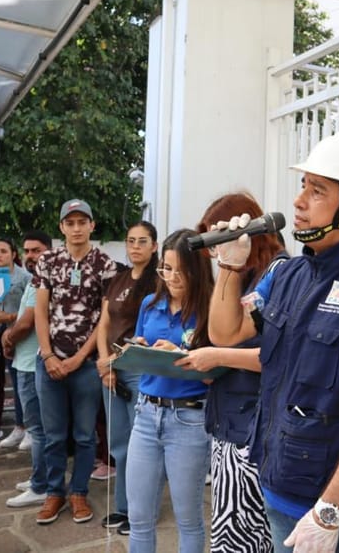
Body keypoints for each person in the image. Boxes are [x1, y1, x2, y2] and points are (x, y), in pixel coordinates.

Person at [209, 131, 339, 552]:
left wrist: (329, 511)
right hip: (277, 481)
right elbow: (225, 332)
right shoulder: (287, 274)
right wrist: (229, 265)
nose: (298, 201)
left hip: (332, 512)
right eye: (303, 186)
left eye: (317, 191)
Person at [191, 193, 286, 553]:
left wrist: (219, 355)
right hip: (228, 420)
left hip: (254, 430)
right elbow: (220, 334)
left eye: (219, 241)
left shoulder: (278, 273)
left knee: (249, 539)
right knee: (229, 535)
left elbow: (276, 356)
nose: (215, 253)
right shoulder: (244, 277)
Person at [126, 228, 214, 553]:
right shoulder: (150, 303)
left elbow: (217, 375)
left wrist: (178, 356)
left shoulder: (211, 310)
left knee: (188, 518)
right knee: (139, 516)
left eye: (180, 270)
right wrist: (137, 349)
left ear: (197, 269)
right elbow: (139, 344)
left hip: (189, 418)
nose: (172, 277)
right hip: (146, 414)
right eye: (165, 268)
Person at [32, 199, 119, 525]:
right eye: (71, 222)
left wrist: (83, 356)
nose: (77, 228)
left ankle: (78, 491)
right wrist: (49, 354)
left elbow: (105, 318)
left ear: (92, 226)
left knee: (85, 435)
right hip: (50, 362)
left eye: (83, 221)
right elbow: (41, 309)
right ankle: (54, 492)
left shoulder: (105, 264)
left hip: (85, 364)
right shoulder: (48, 261)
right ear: (62, 227)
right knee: (53, 435)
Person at [93, 221, 160, 536]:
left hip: (138, 369)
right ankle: (123, 508)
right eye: (131, 241)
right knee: (119, 443)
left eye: (142, 241)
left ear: (154, 246)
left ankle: (142, 512)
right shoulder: (118, 279)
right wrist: (104, 363)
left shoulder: (157, 282)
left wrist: (118, 361)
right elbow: (104, 324)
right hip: (111, 370)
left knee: (142, 445)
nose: (135, 247)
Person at [4, 230, 53, 509]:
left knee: (38, 429)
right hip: (24, 361)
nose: (31, 256)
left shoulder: (42, 283)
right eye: (27, 251)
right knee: (38, 428)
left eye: (37, 250)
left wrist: (7, 338)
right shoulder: (36, 280)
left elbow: (26, 323)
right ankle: (40, 477)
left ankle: (41, 486)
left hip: (33, 364)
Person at [0, 238, 32, 449]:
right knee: (16, 385)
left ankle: (30, 429)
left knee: (26, 386)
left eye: (3, 251)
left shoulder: (25, 277)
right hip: (6, 339)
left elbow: (31, 310)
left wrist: (10, 318)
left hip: (24, 335)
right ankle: (19, 427)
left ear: (13, 254)